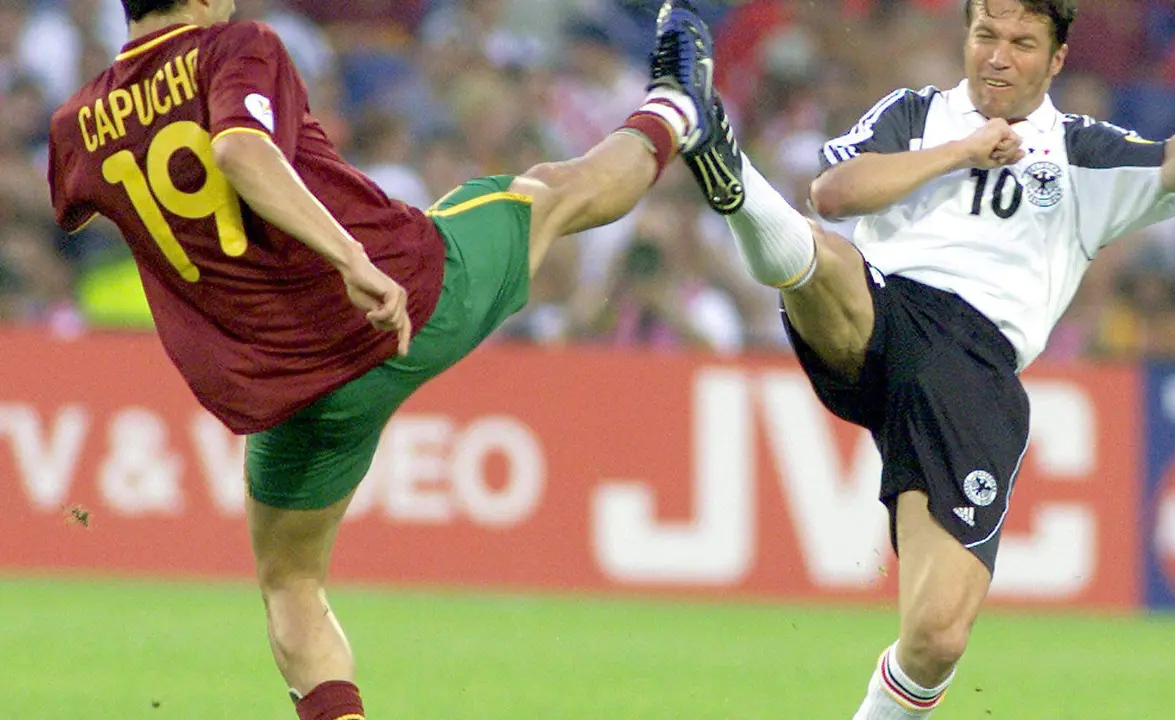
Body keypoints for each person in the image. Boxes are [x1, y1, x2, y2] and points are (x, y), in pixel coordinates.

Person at [45, 1, 722, 718]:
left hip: (279, 388)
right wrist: (351, 259)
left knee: (291, 585)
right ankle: (679, 106)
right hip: (396, 305)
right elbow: (239, 150)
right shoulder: (234, 47)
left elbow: (68, 203)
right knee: (547, 195)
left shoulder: (73, 126)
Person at [670, 1, 1175, 717]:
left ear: (1057, 58)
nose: (998, 57)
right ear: (966, 37)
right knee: (820, 256)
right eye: (986, 36)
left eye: (1021, 43)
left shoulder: (1080, 150)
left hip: (973, 370)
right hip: (886, 311)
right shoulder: (917, 114)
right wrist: (964, 150)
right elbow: (833, 193)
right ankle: (730, 174)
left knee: (936, 638)